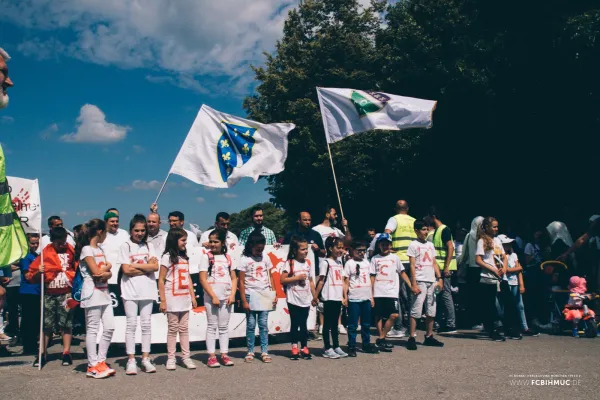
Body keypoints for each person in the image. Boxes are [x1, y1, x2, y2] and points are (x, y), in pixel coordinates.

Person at [27, 227, 77, 367]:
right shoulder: (45, 253)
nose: (62, 245)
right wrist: (39, 272)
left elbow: (76, 267)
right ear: (53, 241)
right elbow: (31, 275)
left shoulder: (71, 251)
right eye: (59, 243)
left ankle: (66, 353)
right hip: (49, 293)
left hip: (66, 292)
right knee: (46, 324)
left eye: (64, 242)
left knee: (66, 324)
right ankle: (42, 353)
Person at [119, 214, 159, 375]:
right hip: (129, 290)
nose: (140, 233)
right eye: (137, 230)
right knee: (131, 325)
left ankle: (145, 358)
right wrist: (146, 266)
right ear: (131, 230)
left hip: (147, 290)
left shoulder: (150, 246)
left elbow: (155, 267)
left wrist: (136, 266)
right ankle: (131, 359)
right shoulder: (125, 246)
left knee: (146, 324)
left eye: (143, 230)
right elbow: (126, 270)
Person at [76, 219, 116, 379]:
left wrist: (105, 271)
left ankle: (101, 361)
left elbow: (105, 274)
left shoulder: (99, 249)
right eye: (105, 231)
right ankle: (92, 365)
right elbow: (97, 272)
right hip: (91, 293)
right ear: (100, 232)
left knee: (110, 327)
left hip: (104, 293)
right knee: (92, 329)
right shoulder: (86, 249)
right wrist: (107, 267)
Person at [158, 228, 197, 370]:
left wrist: (192, 296)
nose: (185, 243)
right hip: (172, 298)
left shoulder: (185, 257)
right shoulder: (167, 257)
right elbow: (161, 279)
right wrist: (163, 300)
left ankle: (186, 357)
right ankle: (171, 358)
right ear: (174, 241)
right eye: (183, 240)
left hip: (184, 298)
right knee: (173, 329)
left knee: (184, 329)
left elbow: (188, 277)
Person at [199, 228, 237, 368]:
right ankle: (211, 356)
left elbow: (234, 278)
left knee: (223, 327)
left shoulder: (228, 258)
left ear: (222, 242)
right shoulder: (206, 257)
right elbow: (203, 279)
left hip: (226, 297)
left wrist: (232, 294)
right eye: (211, 241)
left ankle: (224, 354)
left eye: (216, 241)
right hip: (211, 298)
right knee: (212, 326)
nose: (213, 244)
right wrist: (213, 296)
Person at [406, 220, 444, 351]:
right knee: (416, 309)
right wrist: (414, 283)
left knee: (431, 309)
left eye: (426, 229)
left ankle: (429, 336)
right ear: (416, 230)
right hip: (420, 280)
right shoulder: (413, 245)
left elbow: (434, 262)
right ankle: (412, 336)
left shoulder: (430, 245)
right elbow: (412, 264)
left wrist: (439, 278)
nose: (426, 232)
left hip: (431, 280)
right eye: (423, 229)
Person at [238, 231, 276, 363]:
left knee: (263, 324)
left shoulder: (266, 258)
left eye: (262, 249)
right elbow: (241, 282)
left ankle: (264, 351)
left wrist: (274, 292)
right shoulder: (244, 260)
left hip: (265, 294)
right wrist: (244, 300)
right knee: (251, 324)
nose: (259, 252)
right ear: (250, 246)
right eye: (257, 249)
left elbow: (270, 276)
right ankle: (250, 350)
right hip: (250, 295)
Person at [370, 233, 412, 352]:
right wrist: (370, 293)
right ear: (379, 245)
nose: (385, 247)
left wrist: (411, 285)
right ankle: (381, 339)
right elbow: (372, 277)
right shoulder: (375, 258)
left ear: (390, 245)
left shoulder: (395, 258)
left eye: (387, 244)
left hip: (391, 291)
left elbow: (402, 273)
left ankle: (382, 337)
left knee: (394, 315)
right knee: (378, 316)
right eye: (382, 244)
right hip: (378, 291)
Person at [280, 237, 318, 360]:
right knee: (295, 323)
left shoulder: (308, 263)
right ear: (295, 250)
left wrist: (315, 295)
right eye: (302, 249)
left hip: (305, 298)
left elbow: (311, 281)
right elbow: (282, 279)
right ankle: (294, 346)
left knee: (304, 324)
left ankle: (304, 346)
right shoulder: (290, 263)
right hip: (293, 299)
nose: (305, 251)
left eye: (306, 249)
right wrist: (296, 278)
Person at [382, 200, 416, 338]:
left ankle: (399, 326)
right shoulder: (414, 221)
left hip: (399, 259)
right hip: (412, 260)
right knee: (411, 295)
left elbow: (387, 232)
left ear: (395, 209)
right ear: (407, 208)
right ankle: (411, 326)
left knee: (397, 294)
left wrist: (388, 247)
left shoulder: (394, 219)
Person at [343, 240, 379, 357]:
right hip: (354, 298)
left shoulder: (367, 263)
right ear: (352, 251)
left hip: (366, 298)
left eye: (364, 251)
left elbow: (370, 280)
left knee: (366, 324)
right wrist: (345, 296)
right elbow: (346, 280)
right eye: (359, 251)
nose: (362, 253)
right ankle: (352, 345)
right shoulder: (349, 263)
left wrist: (371, 297)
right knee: (353, 324)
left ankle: (366, 344)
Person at [475, 217, 507, 341]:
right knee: (492, 306)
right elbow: (478, 260)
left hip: (500, 276)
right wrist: (492, 269)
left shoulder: (498, 240)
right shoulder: (482, 241)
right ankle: (492, 329)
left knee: (503, 304)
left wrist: (504, 267)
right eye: (493, 226)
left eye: (497, 226)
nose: (496, 229)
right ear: (487, 227)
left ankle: (504, 328)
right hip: (488, 277)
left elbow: (503, 256)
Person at [316, 237, 348, 359]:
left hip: (337, 296)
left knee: (335, 324)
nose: (341, 250)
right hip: (328, 296)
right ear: (330, 248)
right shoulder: (326, 263)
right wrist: (315, 295)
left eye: (342, 247)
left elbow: (343, 280)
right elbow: (321, 280)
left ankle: (336, 346)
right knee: (327, 324)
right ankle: (327, 347)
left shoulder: (340, 263)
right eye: (338, 247)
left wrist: (345, 296)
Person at [499, 235, 537, 337]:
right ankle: (504, 326)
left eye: (509, 244)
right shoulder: (501, 256)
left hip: (515, 282)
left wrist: (521, 284)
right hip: (505, 282)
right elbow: (506, 270)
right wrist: (518, 268)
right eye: (506, 244)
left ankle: (524, 327)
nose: (508, 246)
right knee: (504, 306)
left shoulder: (514, 255)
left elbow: (519, 270)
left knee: (520, 305)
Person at [429, 206, 457, 333]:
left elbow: (450, 247)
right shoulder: (438, 230)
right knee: (440, 294)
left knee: (446, 294)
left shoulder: (444, 229)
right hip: (440, 267)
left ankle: (451, 324)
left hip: (445, 267)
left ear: (434, 217)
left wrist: (446, 266)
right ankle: (442, 322)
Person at [457, 216, 484, 329]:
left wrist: (457, 264)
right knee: (484, 296)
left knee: (473, 297)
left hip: (472, 269)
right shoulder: (485, 236)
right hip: (485, 268)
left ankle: (475, 321)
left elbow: (464, 255)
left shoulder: (469, 235)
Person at [18, 233, 41, 355]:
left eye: (37, 243)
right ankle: (28, 345)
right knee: (29, 320)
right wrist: (39, 272)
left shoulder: (36, 255)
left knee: (35, 319)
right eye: (33, 243)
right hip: (28, 291)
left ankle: (33, 343)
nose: (35, 245)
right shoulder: (26, 256)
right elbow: (28, 276)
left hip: (37, 291)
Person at [101, 211, 130, 284]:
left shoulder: (124, 234)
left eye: (117, 221)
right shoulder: (101, 236)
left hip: (123, 277)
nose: (115, 223)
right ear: (106, 222)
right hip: (108, 278)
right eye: (112, 221)